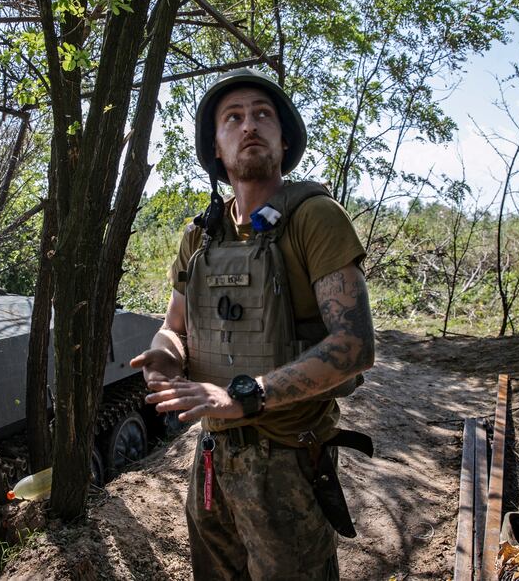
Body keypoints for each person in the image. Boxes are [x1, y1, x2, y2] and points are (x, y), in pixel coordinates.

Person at [131, 68, 376, 580]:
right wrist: (164, 356)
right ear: (216, 147)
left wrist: (245, 395)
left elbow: (354, 346)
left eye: (263, 115)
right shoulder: (200, 237)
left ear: (284, 141)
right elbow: (173, 325)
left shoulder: (314, 217)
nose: (249, 126)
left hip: (287, 458)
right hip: (213, 453)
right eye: (233, 118)